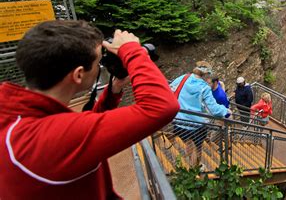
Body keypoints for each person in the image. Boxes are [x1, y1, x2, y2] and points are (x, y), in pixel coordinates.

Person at [0, 21, 180, 199]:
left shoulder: (22, 119)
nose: (101, 67)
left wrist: (114, 89)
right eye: (98, 62)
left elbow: (82, 128)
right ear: (78, 74)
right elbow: (161, 106)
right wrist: (132, 51)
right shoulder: (48, 138)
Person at [171, 61, 230, 165]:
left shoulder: (183, 78)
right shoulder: (204, 87)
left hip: (180, 121)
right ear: (206, 74)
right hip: (197, 124)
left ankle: (190, 166)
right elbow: (214, 110)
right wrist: (226, 111)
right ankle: (196, 167)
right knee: (198, 148)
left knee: (188, 144)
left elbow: (170, 89)